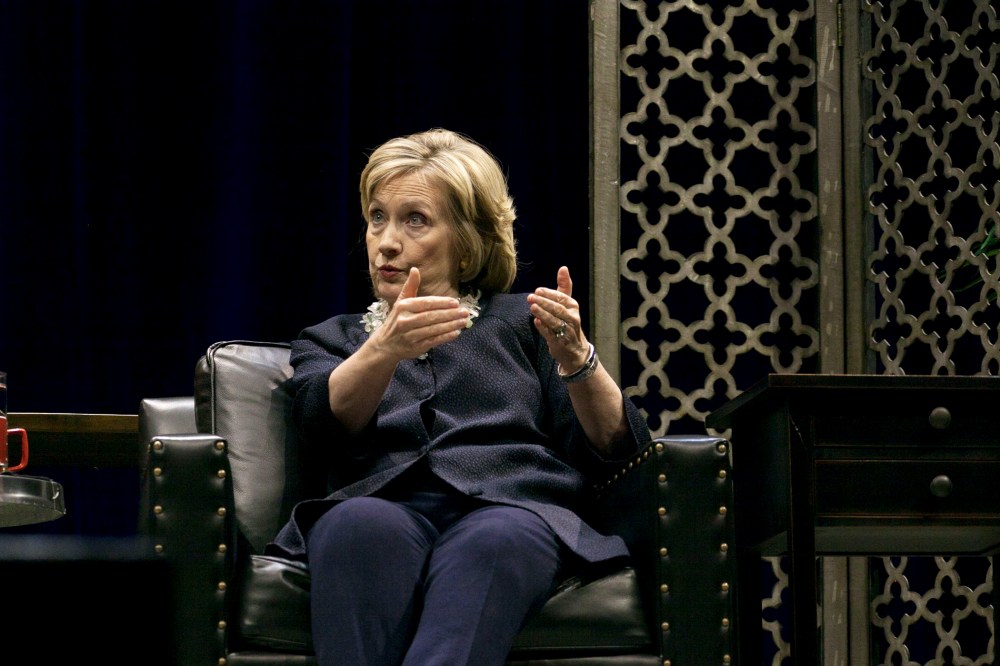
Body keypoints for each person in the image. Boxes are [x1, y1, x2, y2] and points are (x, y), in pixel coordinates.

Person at [266, 128, 651, 666]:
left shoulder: (525, 324)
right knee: (354, 525)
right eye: (378, 217)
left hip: (512, 508)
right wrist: (383, 351)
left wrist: (577, 360)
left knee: (494, 539)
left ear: (467, 243)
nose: (386, 241)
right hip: (383, 505)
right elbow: (320, 426)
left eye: (414, 219)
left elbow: (617, 446)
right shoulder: (335, 340)